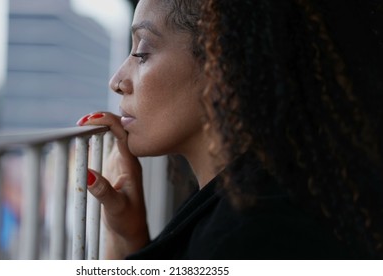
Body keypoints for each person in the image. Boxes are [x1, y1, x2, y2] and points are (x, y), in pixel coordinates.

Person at [77, 0, 383, 259]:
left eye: (142, 52)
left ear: (222, 63)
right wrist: (128, 237)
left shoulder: (251, 234)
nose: (117, 81)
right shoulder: (267, 195)